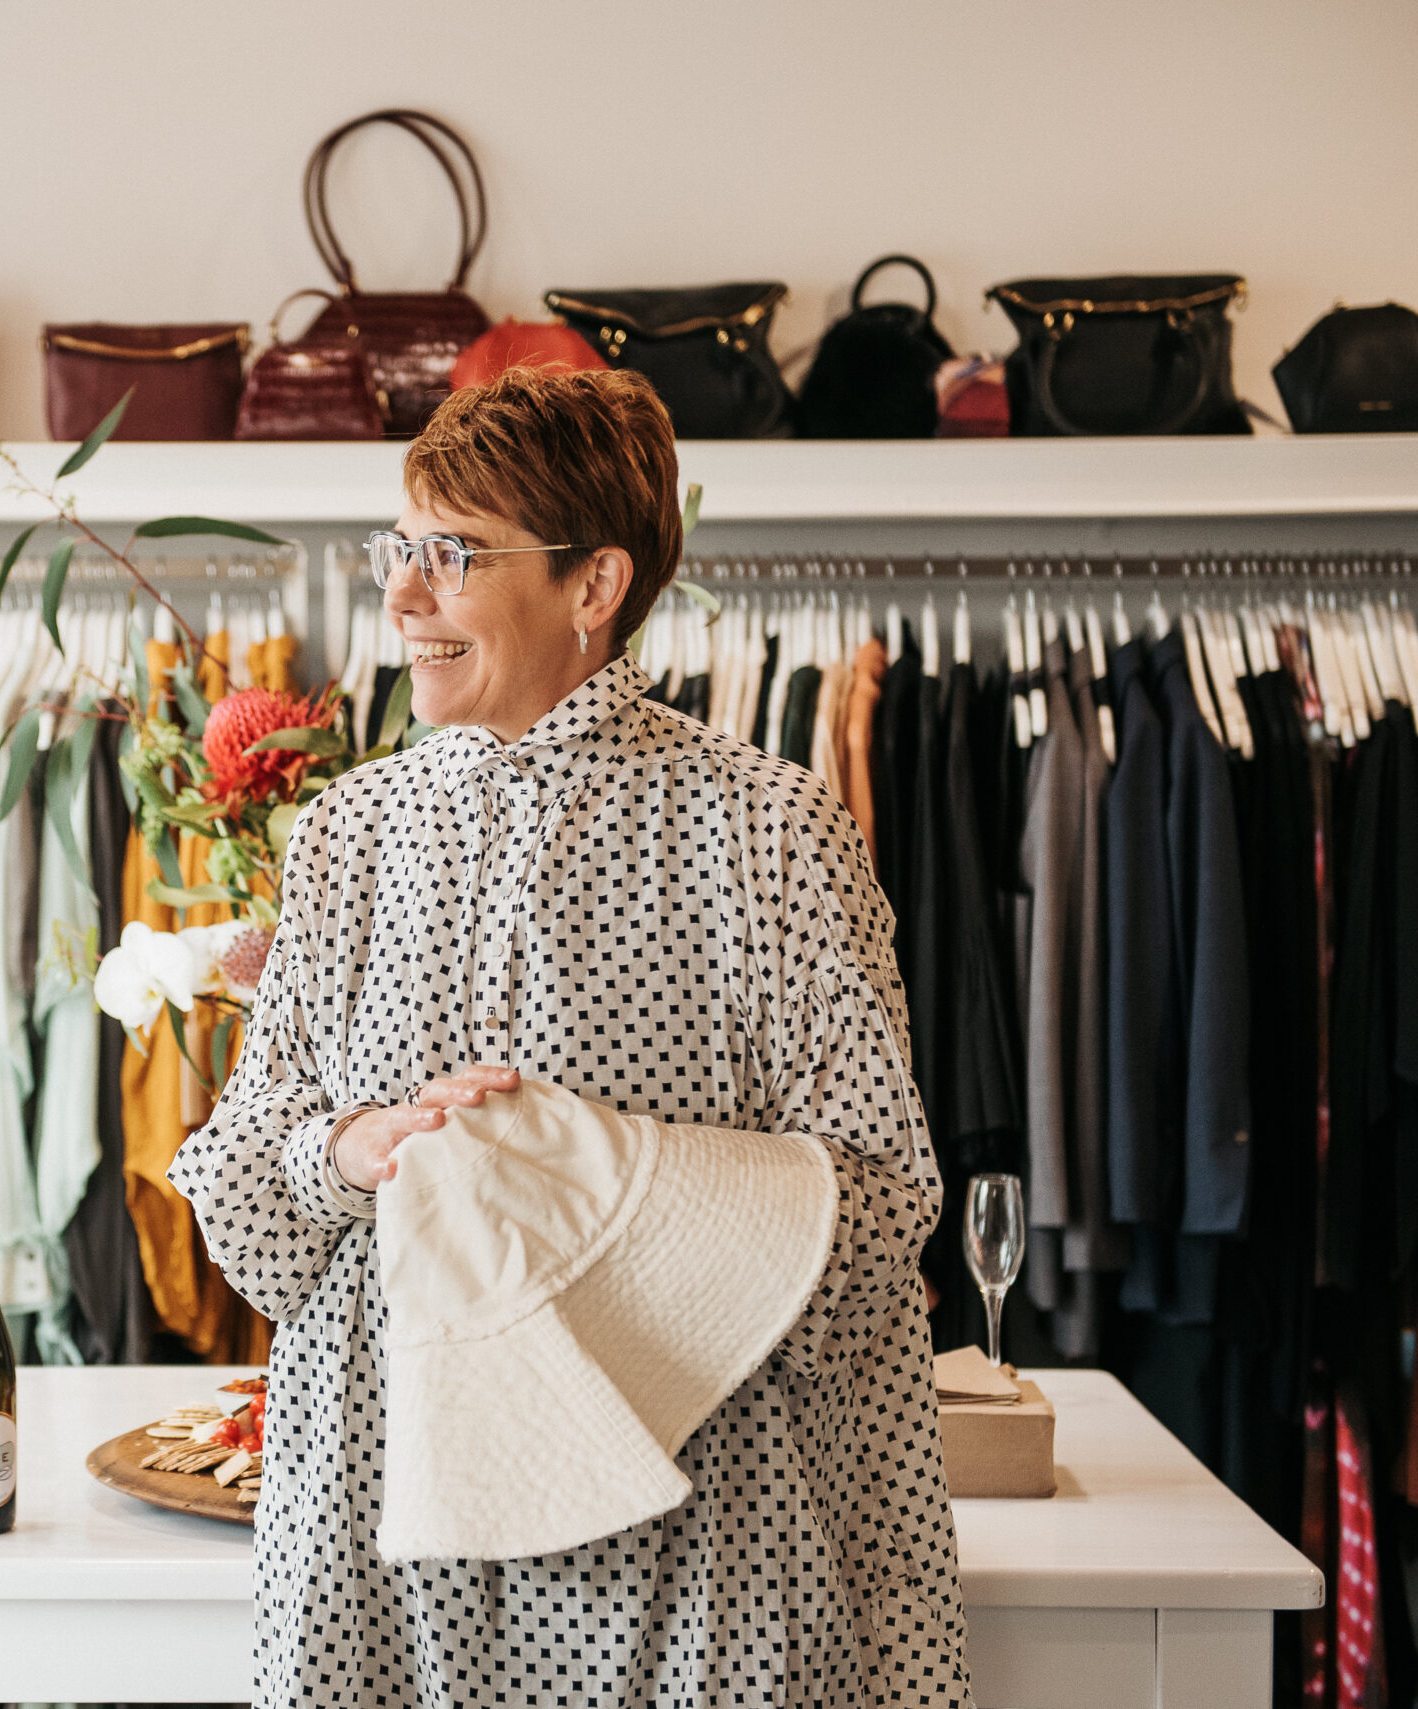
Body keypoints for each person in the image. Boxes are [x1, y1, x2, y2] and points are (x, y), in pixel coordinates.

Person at [172, 367, 969, 1706]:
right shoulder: (350, 837)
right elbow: (247, 1200)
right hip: (391, 1572)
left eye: (452, 556)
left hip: (698, 1565)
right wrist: (349, 1151)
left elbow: (882, 1212)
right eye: (400, 550)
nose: (402, 597)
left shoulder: (773, 836)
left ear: (595, 587)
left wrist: (606, 1171)